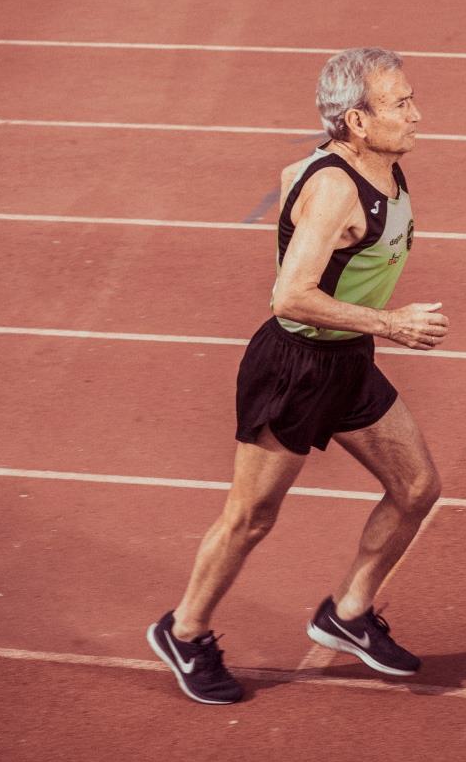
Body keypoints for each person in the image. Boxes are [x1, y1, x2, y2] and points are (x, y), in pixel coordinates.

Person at [147, 47, 449, 704]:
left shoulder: (375, 169)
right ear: (359, 122)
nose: (417, 114)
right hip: (295, 368)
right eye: (400, 104)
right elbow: (289, 296)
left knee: (417, 488)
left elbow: (294, 176)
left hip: (347, 361)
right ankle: (185, 629)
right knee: (251, 517)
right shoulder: (336, 187)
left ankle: (349, 614)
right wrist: (392, 323)